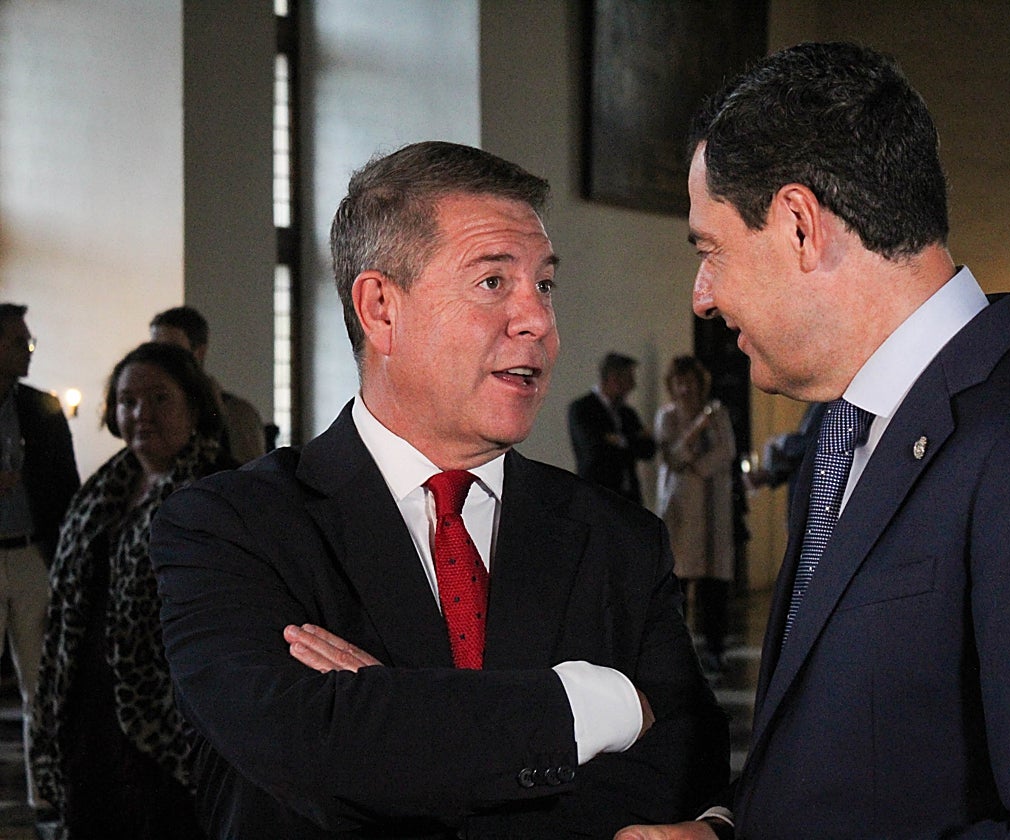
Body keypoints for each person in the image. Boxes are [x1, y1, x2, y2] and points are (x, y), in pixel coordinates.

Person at [618, 42, 1010, 839]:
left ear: (801, 226)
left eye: (710, 250)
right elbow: (853, 763)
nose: (701, 296)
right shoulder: (843, 427)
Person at [150, 141, 728, 839]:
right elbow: (317, 752)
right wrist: (592, 703)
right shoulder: (230, 527)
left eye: (544, 285)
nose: (538, 321)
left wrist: (396, 715)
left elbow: (683, 770)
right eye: (493, 283)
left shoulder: (619, 540)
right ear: (381, 309)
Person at [30, 342, 233, 839]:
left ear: (193, 406)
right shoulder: (103, 491)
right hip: (90, 702)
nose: (141, 413)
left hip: (167, 719)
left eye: (159, 399)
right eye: (127, 401)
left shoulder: (217, 489)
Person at [0, 304, 80, 812]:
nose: (29, 351)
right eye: (18, 342)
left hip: (32, 553)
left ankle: (46, 796)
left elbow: (67, 489)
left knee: (43, 682)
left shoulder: (41, 408)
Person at [654, 355, 735, 671]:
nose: (686, 389)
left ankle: (716, 648)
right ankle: (678, 651)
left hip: (712, 505)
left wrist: (698, 466)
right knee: (679, 579)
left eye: (691, 382)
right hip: (679, 507)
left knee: (714, 582)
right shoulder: (668, 416)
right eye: (680, 383)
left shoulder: (718, 413)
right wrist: (696, 428)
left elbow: (726, 451)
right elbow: (672, 456)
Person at [150, 305, 266, 465]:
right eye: (155, 350)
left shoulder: (235, 412)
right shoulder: (151, 409)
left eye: (172, 350)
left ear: (199, 352)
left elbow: (252, 479)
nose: (161, 359)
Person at [568, 352, 656, 504]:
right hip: (597, 497)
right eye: (629, 378)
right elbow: (593, 450)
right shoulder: (582, 409)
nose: (633, 385)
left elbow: (649, 449)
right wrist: (632, 442)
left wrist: (618, 441)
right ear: (613, 378)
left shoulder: (627, 413)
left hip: (629, 499)